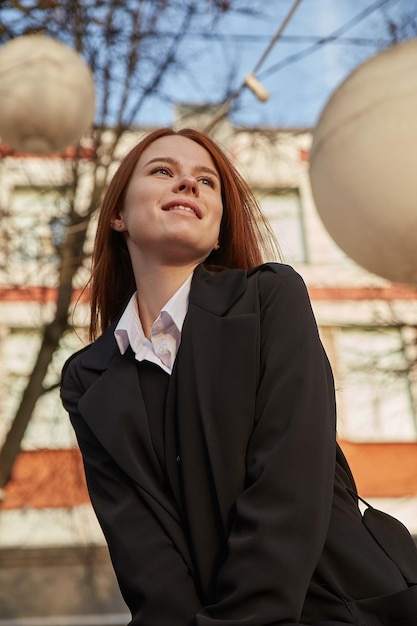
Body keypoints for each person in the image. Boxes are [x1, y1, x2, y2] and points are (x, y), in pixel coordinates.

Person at [61, 127, 417, 626]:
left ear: (220, 229)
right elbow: (144, 558)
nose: (188, 185)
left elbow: (288, 483)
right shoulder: (87, 380)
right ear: (118, 214)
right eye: (163, 171)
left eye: (207, 182)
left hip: (341, 605)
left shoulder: (271, 297)